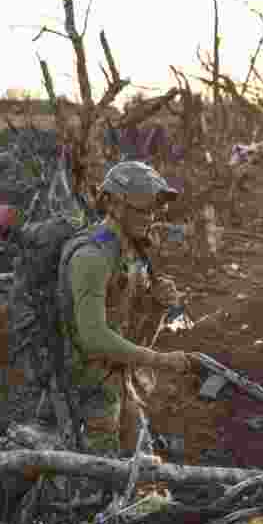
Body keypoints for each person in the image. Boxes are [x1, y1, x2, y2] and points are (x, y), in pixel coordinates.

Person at [57, 160, 197, 453]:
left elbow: (134, 336)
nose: (151, 217)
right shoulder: (92, 256)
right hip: (86, 389)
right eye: (142, 209)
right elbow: (94, 338)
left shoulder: (133, 253)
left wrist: (157, 306)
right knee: (97, 472)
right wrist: (161, 361)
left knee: (143, 464)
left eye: (154, 209)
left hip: (119, 380)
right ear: (114, 205)